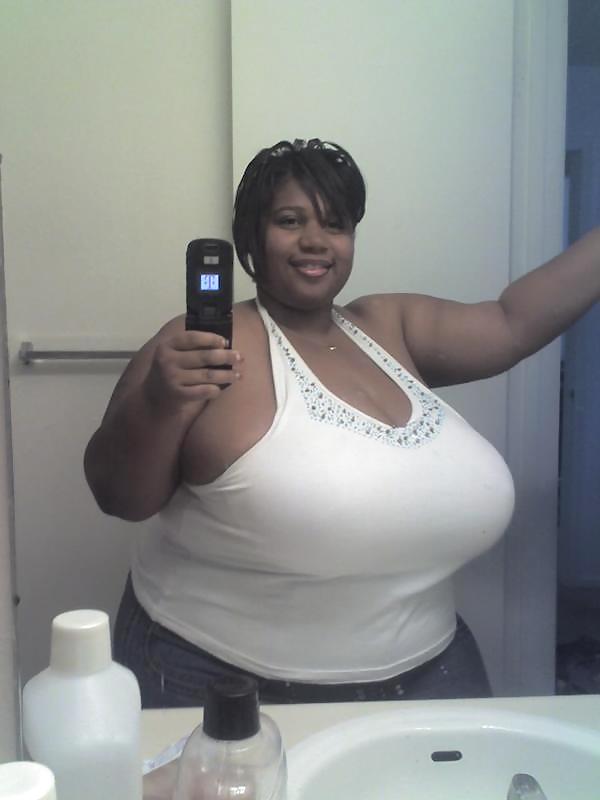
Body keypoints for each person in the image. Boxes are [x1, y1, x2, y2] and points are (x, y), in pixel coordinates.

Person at [84, 139, 600, 708]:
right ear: (252, 237)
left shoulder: (389, 325)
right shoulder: (201, 345)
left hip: (433, 671)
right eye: (290, 221)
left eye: (335, 224)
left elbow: (512, 321)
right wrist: (160, 400)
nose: (315, 240)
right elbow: (118, 494)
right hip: (223, 682)